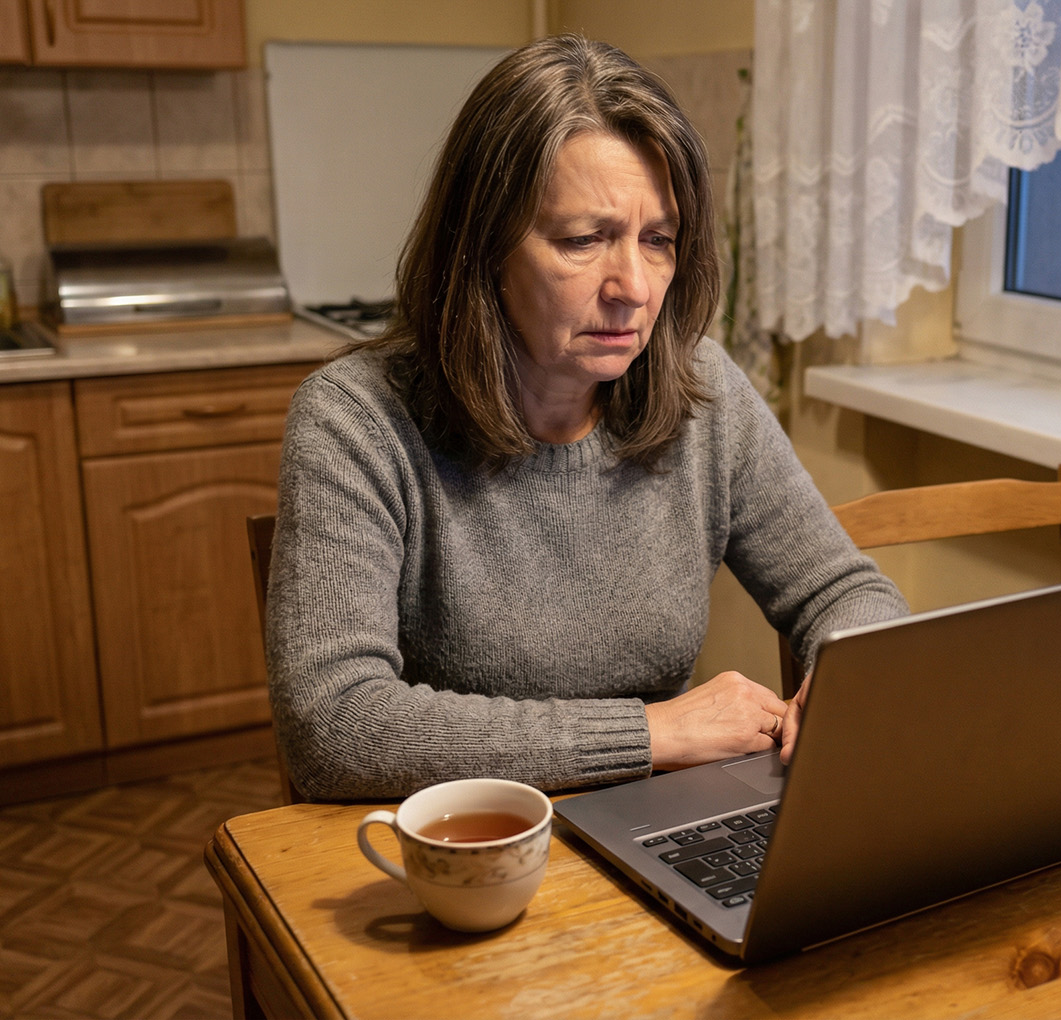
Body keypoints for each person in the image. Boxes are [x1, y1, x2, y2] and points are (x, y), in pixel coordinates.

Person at [266, 35, 908, 801]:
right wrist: (654, 733)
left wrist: (847, 677)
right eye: (582, 240)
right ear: (483, 250)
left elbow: (843, 590)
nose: (633, 286)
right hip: (463, 849)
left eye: (659, 241)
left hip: (648, 818)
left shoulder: (705, 392)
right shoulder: (355, 420)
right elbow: (334, 727)